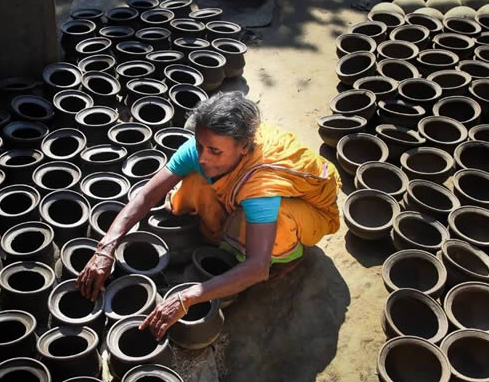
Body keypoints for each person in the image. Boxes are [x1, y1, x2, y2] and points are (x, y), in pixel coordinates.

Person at [76, 92, 341, 339]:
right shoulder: (203, 150)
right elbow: (147, 196)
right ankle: (227, 233)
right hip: (246, 193)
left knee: (269, 225)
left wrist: (187, 298)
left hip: (305, 211)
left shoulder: (262, 186)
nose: (203, 157)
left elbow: (257, 267)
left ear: (244, 148)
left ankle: (291, 256)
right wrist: (106, 246)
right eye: (200, 144)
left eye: (215, 151)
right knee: (193, 181)